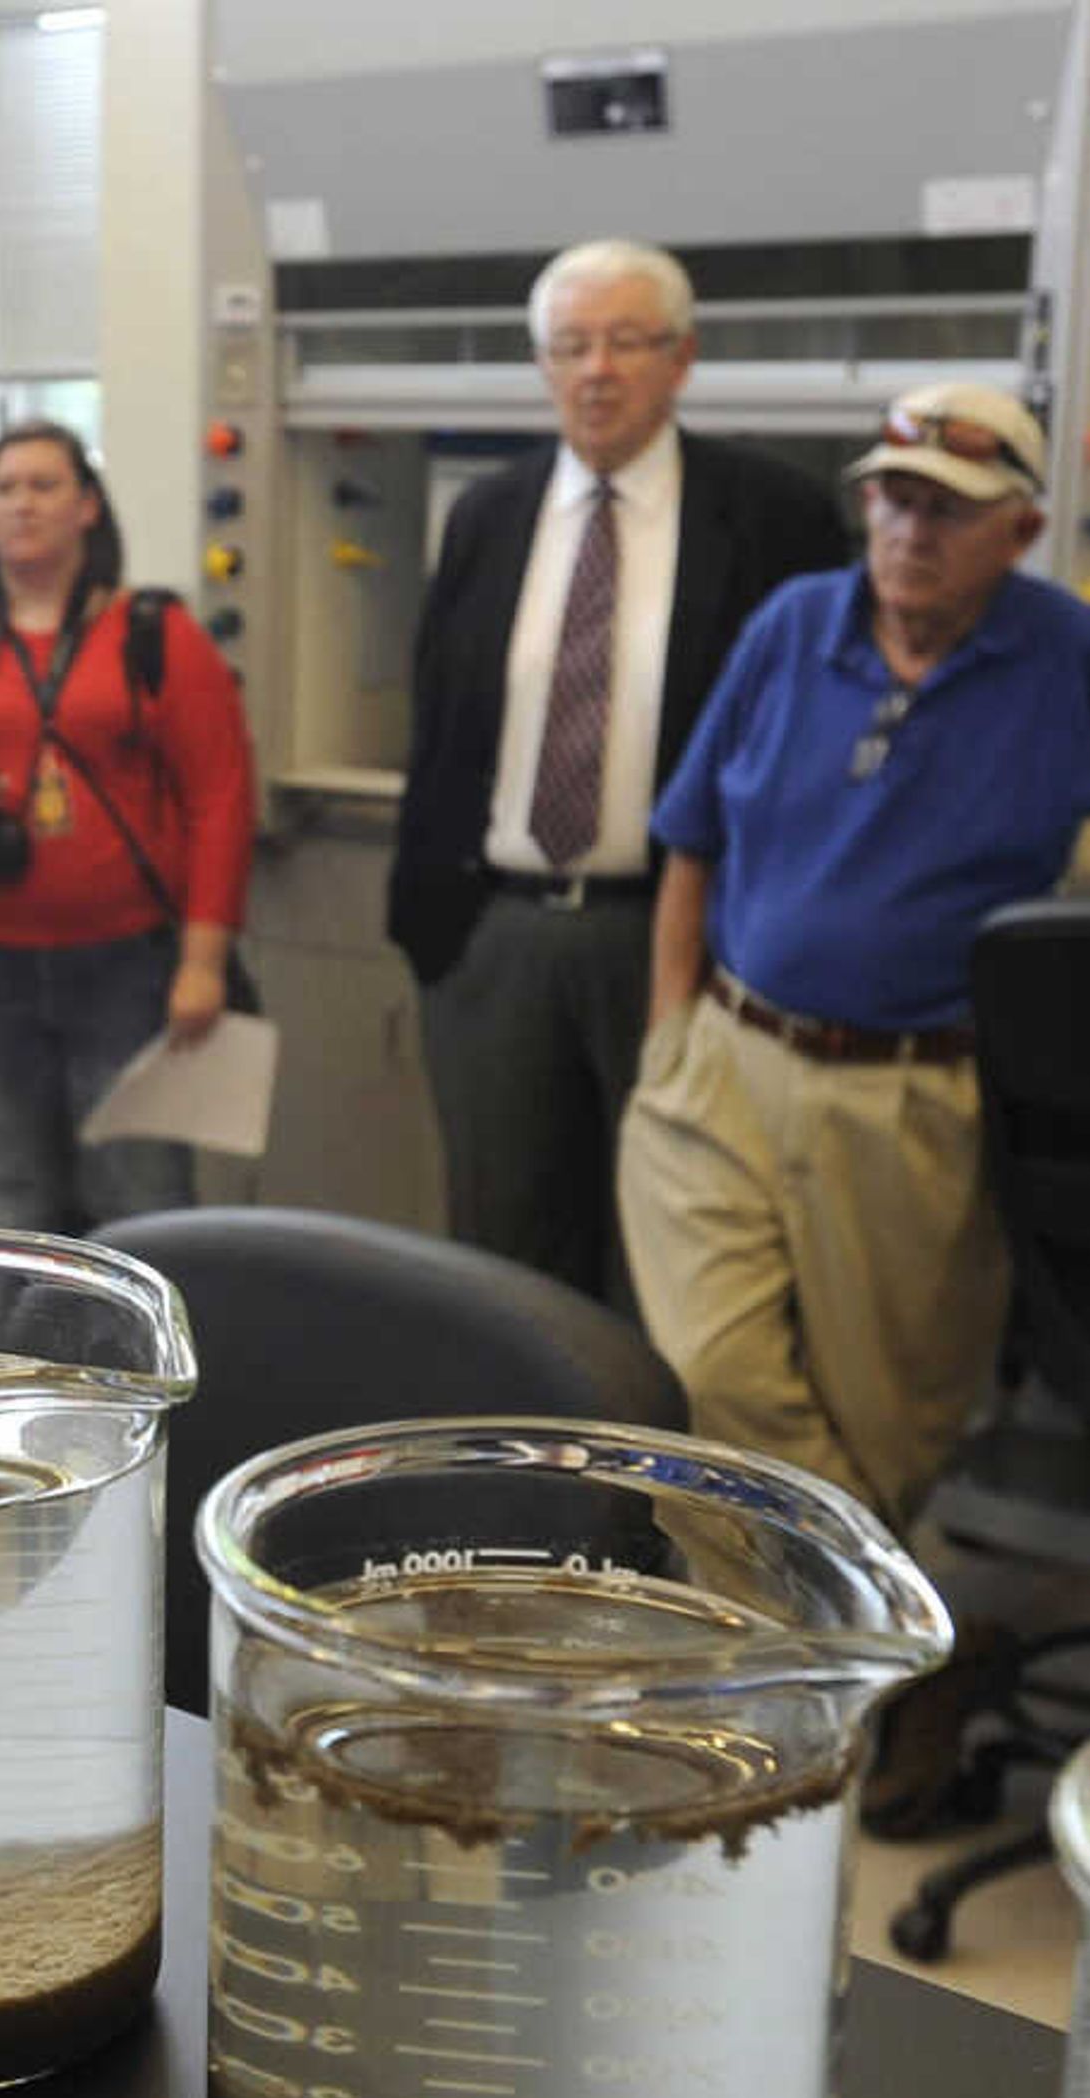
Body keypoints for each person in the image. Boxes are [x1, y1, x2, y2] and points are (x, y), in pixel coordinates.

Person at [617, 378, 1090, 1540]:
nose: (908, 535)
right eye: (890, 501)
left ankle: (832, 1683)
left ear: (1021, 532)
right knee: (708, 1374)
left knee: (891, 1434)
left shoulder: (1076, 658)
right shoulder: (793, 626)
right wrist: (670, 1032)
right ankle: (838, 1657)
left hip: (916, 1101)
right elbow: (690, 842)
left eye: (945, 512)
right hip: (724, 1064)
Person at [389, 238, 847, 1302]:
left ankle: (646, 1471)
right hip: (492, 936)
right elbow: (441, 721)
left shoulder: (776, 519)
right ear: (544, 366)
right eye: (571, 345)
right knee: (501, 1259)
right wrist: (429, 934)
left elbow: (808, 749)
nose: (597, 370)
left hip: (686, 942)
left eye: (627, 343)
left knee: (674, 1254)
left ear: (681, 360)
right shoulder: (486, 517)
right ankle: (518, 1467)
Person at [0, 422, 253, 1231]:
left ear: (88, 508)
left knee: (140, 1195)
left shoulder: (155, 636)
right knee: (3, 1190)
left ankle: (152, 1360)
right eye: (3, 489)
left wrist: (203, 962)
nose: (21, 504)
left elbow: (222, 801)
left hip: (126, 967)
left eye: (43, 485)